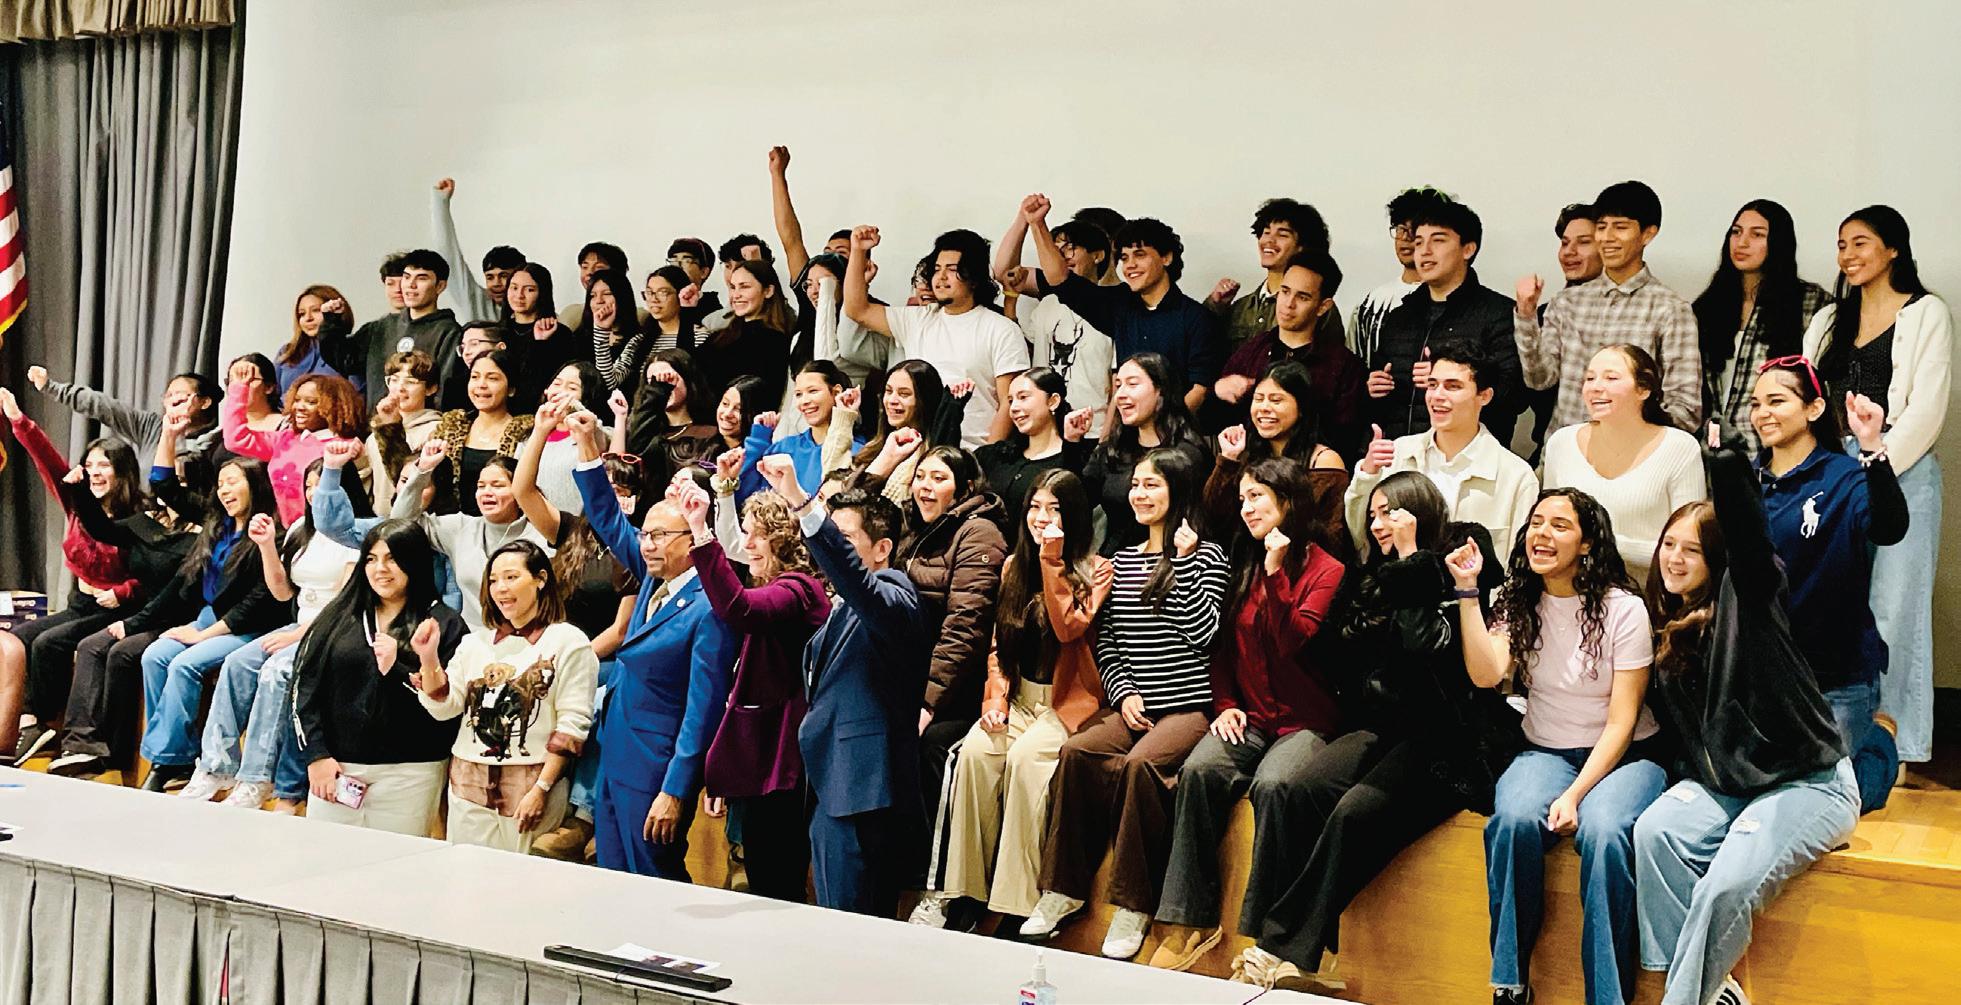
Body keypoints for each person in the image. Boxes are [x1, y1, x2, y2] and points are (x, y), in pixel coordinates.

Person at [1230, 473, 1513, 992]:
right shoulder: (1373, 577)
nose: (1379, 523)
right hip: (1386, 726)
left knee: (1353, 813)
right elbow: (1345, 654)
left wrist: (1410, 559)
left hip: (1448, 738)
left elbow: (1426, 646)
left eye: (1391, 512)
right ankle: (1313, 951)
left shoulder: (1458, 558)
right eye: (1375, 514)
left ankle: (1283, 948)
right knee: (1300, 788)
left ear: (1420, 511)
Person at [1633, 441, 1860, 1005]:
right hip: (1731, 787)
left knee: (1725, 886)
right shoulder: (1665, 622)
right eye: (1668, 545)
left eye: (1693, 549)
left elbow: (1752, 547)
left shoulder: (1748, 601)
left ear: (1718, 558)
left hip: (1808, 782)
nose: (1674, 558)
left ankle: (1684, 998)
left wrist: (1728, 468)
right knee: (1655, 833)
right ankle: (1714, 991)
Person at [1454, 489, 1666, 1005]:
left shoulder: (1624, 609)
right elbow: (1486, 674)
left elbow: (1622, 721)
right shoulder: (1517, 600)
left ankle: (1608, 996)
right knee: (1511, 820)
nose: (1542, 534)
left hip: (1626, 756)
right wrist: (1467, 594)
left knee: (1605, 832)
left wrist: (1574, 795)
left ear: (1588, 543)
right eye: (1536, 522)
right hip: (1545, 750)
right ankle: (1510, 982)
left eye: (1560, 525)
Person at [1022, 447, 1228, 961]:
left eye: (1151, 485)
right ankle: (1062, 890)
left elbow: (1204, 634)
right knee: (1077, 752)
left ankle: (1134, 905)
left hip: (1188, 708)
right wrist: (1124, 693)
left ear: (1178, 490)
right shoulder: (1123, 559)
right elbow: (1108, 642)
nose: (1139, 494)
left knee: (1141, 766)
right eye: (1135, 484)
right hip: (1134, 703)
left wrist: (1183, 563)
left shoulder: (1207, 556)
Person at [1149, 458, 1347, 971]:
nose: (1246, 508)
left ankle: (1264, 935)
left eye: (1256, 497)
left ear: (1288, 501)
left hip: (1307, 720)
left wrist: (1278, 574)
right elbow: (1222, 646)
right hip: (1250, 714)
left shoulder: (1327, 569)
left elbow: (1293, 641)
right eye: (1242, 499)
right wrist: (1226, 704)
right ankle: (1189, 920)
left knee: (1276, 785)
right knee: (1199, 770)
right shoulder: (1245, 560)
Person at [914, 470, 1112, 927]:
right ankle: (962, 894)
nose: (1042, 518)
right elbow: (999, 645)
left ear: (1074, 515)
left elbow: (1068, 628)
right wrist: (994, 701)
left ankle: (1016, 903)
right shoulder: (1010, 568)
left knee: (1025, 761)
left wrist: (1052, 560)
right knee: (975, 754)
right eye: (1035, 508)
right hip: (1018, 697)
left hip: (1068, 704)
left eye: (1054, 509)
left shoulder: (1098, 569)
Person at [1804, 205, 1950, 770]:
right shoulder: (1828, 319)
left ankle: (1895, 748)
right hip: (1832, 473)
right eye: (1842, 244)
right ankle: (1833, 743)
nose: (1848, 255)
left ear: (1893, 249)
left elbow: (1927, 409)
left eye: (1860, 243)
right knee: (1831, 605)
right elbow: (1807, 395)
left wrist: (1876, 465)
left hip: (1900, 470)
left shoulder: (1925, 312)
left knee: (1895, 610)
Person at [566, 409, 738, 879]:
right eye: (646, 534)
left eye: (660, 536)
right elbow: (607, 518)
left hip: (656, 768)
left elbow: (703, 709)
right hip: (615, 752)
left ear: (692, 539)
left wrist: (676, 789)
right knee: (613, 874)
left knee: (654, 880)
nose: (646, 544)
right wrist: (588, 446)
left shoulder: (710, 606)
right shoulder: (653, 577)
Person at [758, 457, 928, 916]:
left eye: (845, 538)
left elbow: (855, 578)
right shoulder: (844, 604)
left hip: (864, 791)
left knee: (857, 930)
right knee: (836, 926)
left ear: (882, 548)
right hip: (833, 785)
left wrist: (802, 502)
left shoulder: (895, 594)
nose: (832, 548)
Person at [1749, 360, 1907, 777]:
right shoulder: (1747, 479)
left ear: (1814, 408)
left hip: (1836, 674)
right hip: (1768, 669)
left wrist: (1871, 444)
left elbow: (1890, 529)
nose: (1762, 413)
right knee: (1769, 785)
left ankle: (1879, 751)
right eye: (1756, 404)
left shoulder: (1844, 475)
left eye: (1776, 401)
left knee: (1826, 790)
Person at [178, 457, 362, 810]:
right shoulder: (299, 529)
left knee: (276, 671)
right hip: (298, 623)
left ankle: (257, 778)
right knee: (236, 663)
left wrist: (298, 636)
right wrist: (265, 546)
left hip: (334, 630)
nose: (314, 494)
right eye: (309, 487)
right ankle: (217, 767)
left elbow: (346, 603)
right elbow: (282, 593)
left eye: (323, 486)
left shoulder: (357, 535)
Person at [685, 476, 831, 902]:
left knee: (777, 883)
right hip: (764, 757)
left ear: (782, 539)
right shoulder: (776, 587)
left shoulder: (800, 590)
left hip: (788, 762)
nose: (746, 544)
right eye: (746, 533)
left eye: (757, 535)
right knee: (762, 877)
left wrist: (701, 532)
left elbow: (739, 609)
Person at [416, 539, 599, 853]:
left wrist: (542, 788)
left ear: (540, 579)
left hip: (530, 784)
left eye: (511, 577)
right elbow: (445, 707)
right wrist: (428, 657)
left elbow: (572, 726)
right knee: (466, 875)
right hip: (468, 782)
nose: (500, 588)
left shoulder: (569, 642)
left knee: (523, 879)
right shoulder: (475, 643)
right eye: (493, 580)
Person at [292, 519, 469, 835]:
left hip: (412, 772)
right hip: (337, 769)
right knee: (324, 858)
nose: (380, 569)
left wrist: (398, 669)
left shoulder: (444, 623)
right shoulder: (336, 618)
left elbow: (448, 709)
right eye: (372, 559)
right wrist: (316, 756)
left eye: (392, 558)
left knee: (397, 862)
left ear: (414, 561)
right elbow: (302, 691)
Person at [134, 436, 289, 792]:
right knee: (154, 656)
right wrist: (169, 433)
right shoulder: (216, 524)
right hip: (208, 619)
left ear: (255, 485)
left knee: (184, 664)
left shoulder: (271, 535)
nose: (224, 490)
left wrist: (203, 636)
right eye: (220, 484)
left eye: (232, 482)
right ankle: (176, 756)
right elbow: (163, 485)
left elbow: (258, 604)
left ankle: (165, 761)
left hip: (245, 628)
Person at [888, 446, 1009, 896]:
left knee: (930, 746)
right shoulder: (914, 528)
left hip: (958, 690)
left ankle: (939, 888)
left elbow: (966, 627)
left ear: (965, 487)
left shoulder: (979, 533)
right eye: (920, 476)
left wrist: (927, 703)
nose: (924, 487)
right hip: (909, 678)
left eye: (938, 478)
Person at [1, 387, 144, 765]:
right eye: (90, 464)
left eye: (104, 465)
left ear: (122, 472)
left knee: (50, 643)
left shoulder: (138, 517)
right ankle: (25, 723)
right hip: (81, 605)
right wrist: (19, 421)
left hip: (117, 608)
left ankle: (43, 722)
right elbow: (48, 463)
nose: (95, 472)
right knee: (19, 638)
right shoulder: (77, 504)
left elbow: (155, 575)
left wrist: (122, 591)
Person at [1514, 181, 1701, 431]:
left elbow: (1685, 408)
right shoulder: (1567, 302)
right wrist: (1526, 315)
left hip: (1634, 450)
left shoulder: (1670, 309)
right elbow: (1539, 380)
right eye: (1601, 227)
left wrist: (1635, 434)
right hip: (1567, 447)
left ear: (1648, 234)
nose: (1608, 237)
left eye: (1620, 227)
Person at [1023, 196, 1222, 414]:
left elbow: (1199, 390)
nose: (1130, 265)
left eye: (1139, 255)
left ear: (1166, 258)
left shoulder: (1196, 317)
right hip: (1127, 430)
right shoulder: (1121, 305)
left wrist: (1166, 428)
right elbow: (1061, 281)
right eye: (1124, 258)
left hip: (1177, 431)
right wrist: (1037, 224)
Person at [1344, 343, 1538, 555]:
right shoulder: (1397, 454)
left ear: (1484, 396)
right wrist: (1367, 475)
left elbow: (1519, 561)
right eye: (1432, 384)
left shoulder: (1516, 475)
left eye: (1453, 386)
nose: (1437, 395)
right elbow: (1361, 542)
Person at [843, 225, 1027, 447]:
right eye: (937, 269)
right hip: (915, 449)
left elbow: (1009, 402)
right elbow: (857, 310)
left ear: (974, 277)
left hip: (971, 451)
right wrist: (858, 251)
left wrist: (990, 455)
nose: (941, 277)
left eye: (952, 269)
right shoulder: (917, 319)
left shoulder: (1001, 329)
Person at [1539, 345, 1706, 583]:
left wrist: (1603, 545)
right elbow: (1549, 530)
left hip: (1651, 595)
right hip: (1574, 592)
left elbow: (1689, 550)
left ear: (1644, 389)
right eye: (1590, 378)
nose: (1596, 387)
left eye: (1611, 378)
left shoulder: (1680, 448)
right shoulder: (1561, 443)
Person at [1369, 198, 1523, 441]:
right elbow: (1377, 403)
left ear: (1468, 249)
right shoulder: (1400, 316)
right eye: (1419, 242)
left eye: (1438, 240)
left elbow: (1513, 397)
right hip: (1400, 453)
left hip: (1468, 454)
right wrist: (1373, 388)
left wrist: (1447, 378)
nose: (1424, 251)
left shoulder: (1500, 313)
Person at [1692, 200, 1834, 450]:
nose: (1742, 242)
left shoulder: (1810, 303)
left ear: (1778, 242)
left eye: (1757, 234)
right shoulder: (1709, 306)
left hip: (1778, 449)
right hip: (1716, 451)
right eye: (1736, 232)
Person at [1212, 250, 1366, 459]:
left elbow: (1346, 439)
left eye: (1302, 297)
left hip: (1312, 469)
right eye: (1284, 291)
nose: (1288, 304)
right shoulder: (1251, 351)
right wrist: (1218, 391)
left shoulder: (1343, 366)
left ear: (1323, 306)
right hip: (1250, 469)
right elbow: (1212, 422)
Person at [391, 438, 551, 632]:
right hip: (472, 640)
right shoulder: (460, 528)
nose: (487, 492)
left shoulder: (541, 535)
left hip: (528, 637)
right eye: (481, 486)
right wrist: (423, 470)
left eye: (498, 485)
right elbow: (400, 524)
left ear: (519, 492)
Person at [994, 206, 1117, 440]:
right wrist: (1010, 299)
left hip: (1092, 431)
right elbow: (1024, 351)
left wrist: (1107, 437)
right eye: (1056, 249)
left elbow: (1116, 382)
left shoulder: (1116, 305)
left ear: (1099, 254)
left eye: (1070, 248)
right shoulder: (1049, 299)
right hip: (1044, 429)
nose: (1062, 256)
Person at [1204, 362, 1349, 560]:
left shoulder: (1323, 460)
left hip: (1299, 564)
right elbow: (1213, 517)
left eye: (1276, 400)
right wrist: (1228, 460)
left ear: (1301, 407)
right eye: (1258, 399)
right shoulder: (1247, 456)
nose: (1264, 408)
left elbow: (1329, 535)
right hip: (1246, 565)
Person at [1082, 354, 1212, 557]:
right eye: (1118, 386)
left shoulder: (1188, 455)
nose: (1120, 395)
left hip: (1173, 561)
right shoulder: (1111, 450)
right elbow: (1078, 502)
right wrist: (1073, 443)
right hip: (1115, 562)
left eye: (1132, 384)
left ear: (1161, 390)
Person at [24, 365, 221, 481]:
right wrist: (52, 387)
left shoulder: (218, 442)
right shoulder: (152, 427)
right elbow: (104, 406)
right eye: (168, 395)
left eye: (180, 394)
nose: (172, 399)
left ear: (204, 402)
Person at [221, 366, 364, 526]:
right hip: (286, 533)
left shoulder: (345, 447)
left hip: (327, 533)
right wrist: (239, 389)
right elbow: (235, 439)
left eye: (311, 402)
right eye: (296, 400)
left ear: (335, 406)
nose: (299, 407)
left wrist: (358, 456)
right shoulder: (284, 438)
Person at [1518, 204, 1606, 463]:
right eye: (1565, 243)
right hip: (1554, 447)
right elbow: (1532, 390)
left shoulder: (1633, 316)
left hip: (1611, 448)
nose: (1569, 252)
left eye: (1584, 242)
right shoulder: (1544, 312)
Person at [319, 248, 464, 401]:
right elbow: (343, 360)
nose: (411, 285)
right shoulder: (380, 328)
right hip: (378, 415)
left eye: (421, 278)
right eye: (407, 277)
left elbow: (446, 388)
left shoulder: (448, 331)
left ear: (440, 286)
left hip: (423, 416)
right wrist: (331, 323)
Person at [1205, 198, 1345, 350]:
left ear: (1303, 246)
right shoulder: (1241, 307)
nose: (1269, 240)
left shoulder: (1319, 308)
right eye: (1266, 232)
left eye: (1282, 235)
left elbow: (1332, 358)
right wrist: (1215, 306)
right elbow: (1205, 346)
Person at [1349, 187, 1450, 368]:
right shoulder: (1371, 304)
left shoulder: (1450, 299)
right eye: (1400, 228)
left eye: (1413, 230)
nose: (1405, 238)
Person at [844, 358, 967, 506]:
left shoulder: (929, 458)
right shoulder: (873, 447)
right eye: (888, 391)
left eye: (904, 394)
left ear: (924, 400)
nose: (892, 400)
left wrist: (949, 416)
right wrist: (843, 417)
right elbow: (835, 492)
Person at [427, 350, 535, 516]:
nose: (481, 384)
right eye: (475, 377)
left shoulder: (526, 433)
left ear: (511, 389)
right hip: (452, 524)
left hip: (507, 525)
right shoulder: (449, 428)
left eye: (492, 378)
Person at [737, 360, 864, 501]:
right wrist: (758, 441)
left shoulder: (858, 453)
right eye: (798, 394)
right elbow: (743, 496)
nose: (804, 401)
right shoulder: (783, 448)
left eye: (813, 391)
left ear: (836, 392)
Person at [975, 368, 1091, 514]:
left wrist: (1072, 442)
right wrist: (954, 410)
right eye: (1011, 401)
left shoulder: (1076, 456)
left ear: (1053, 401)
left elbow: (1074, 501)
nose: (1013, 408)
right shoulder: (996, 455)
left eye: (1023, 397)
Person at [691, 258, 798, 409]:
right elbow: (687, 366)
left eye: (744, 287)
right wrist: (687, 311)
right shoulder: (722, 336)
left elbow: (764, 396)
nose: (736, 295)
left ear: (768, 291)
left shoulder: (776, 342)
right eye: (732, 287)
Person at [429, 177, 525, 322]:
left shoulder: (543, 318)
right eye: (490, 277)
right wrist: (440, 202)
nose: (496, 284)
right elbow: (449, 258)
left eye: (504, 276)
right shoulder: (478, 303)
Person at [625, 349, 722, 490]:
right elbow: (637, 450)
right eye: (653, 383)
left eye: (668, 379)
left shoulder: (708, 433)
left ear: (688, 379)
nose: (661, 386)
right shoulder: (645, 431)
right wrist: (657, 393)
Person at [365, 349, 443, 511]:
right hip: (380, 520)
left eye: (411, 382)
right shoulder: (375, 433)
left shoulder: (436, 430)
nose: (400, 388)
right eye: (394, 380)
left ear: (431, 389)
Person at [576, 269, 651, 396]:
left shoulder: (637, 341)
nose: (599, 300)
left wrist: (601, 330)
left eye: (607, 294)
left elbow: (607, 385)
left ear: (622, 297)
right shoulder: (579, 337)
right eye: (592, 296)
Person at [276, 285, 357, 394]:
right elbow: (272, 395)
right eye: (302, 314)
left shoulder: (350, 349)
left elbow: (358, 394)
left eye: (316, 310)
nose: (308, 318)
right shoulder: (287, 352)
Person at [666, 237, 722, 313]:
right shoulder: (660, 305)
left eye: (686, 261)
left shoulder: (713, 313)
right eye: (673, 260)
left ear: (703, 272)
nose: (677, 265)